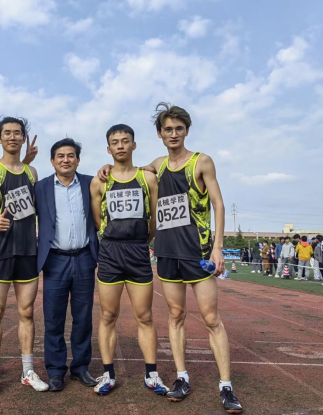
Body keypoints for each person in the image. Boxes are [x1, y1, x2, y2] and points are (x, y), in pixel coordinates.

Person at [100, 103, 242, 413]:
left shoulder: (201, 162)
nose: (173, 134)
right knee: (175, 315)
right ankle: (182, 377)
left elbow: (218, 204)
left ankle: (226, 386)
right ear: (159, 134)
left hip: (197, 252)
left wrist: (218, 247)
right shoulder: (157, 165)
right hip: (166, 253)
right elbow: (129, 170)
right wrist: (108, 168)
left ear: (186, 131)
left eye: (179, 128)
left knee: (210, 318)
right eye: (168, 129)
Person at [91, 125, 167, 396]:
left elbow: (154, 218)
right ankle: (108, 374)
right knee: (107, 315)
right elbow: (98, 221)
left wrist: (142, 241)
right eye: (115, 142)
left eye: (125, 141)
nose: (121, 145)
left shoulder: (148, 178)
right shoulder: (99, 182)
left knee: (144, 316)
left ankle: (151, 374)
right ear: (108, 148)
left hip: (138, 252)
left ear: (134, 145)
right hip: (110, 253)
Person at [0, 116, 48, 398]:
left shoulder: (32, 172)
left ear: (23, 138)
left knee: (26, 312)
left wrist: (27, 161)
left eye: (17, 133)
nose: (12, 137)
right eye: (7, 133)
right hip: (1, 250)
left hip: (28, 250)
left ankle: (28, 371)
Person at [34, 138, 99, 392]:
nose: (65, 160)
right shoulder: (40, 187)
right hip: (54, 260)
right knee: (53, 318)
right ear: (52, 161)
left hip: (84, 258)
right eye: (60, 156)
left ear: (78, 160)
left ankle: (81, 367)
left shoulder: (91, 183)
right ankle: (55, 371)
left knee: (83, 318)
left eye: (71, 155)